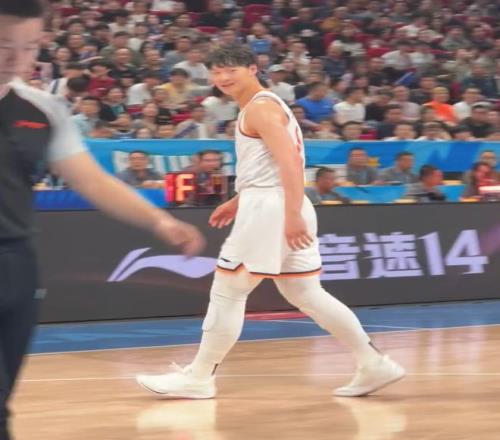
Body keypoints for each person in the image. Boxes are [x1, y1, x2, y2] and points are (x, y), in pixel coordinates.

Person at [136, 44, 405, 399]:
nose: (223, 78)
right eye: (217, 72)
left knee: (228, 289)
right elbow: (271, 165)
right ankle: (373, 363)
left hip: (273, 207)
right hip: (275, 201)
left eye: (231, 70)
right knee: (304, 291)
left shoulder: (260, 108)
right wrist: (239, 199)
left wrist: (289, 214)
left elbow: (290, 162)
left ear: (252, 69)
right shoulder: (263, 105)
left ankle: (199, 377)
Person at [0, 2, 205, 439]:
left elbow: (91, 180)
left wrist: (159, 221)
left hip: (16, 268)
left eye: (29, 47)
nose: (16, 59)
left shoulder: (42, 110)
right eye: (3, 45)